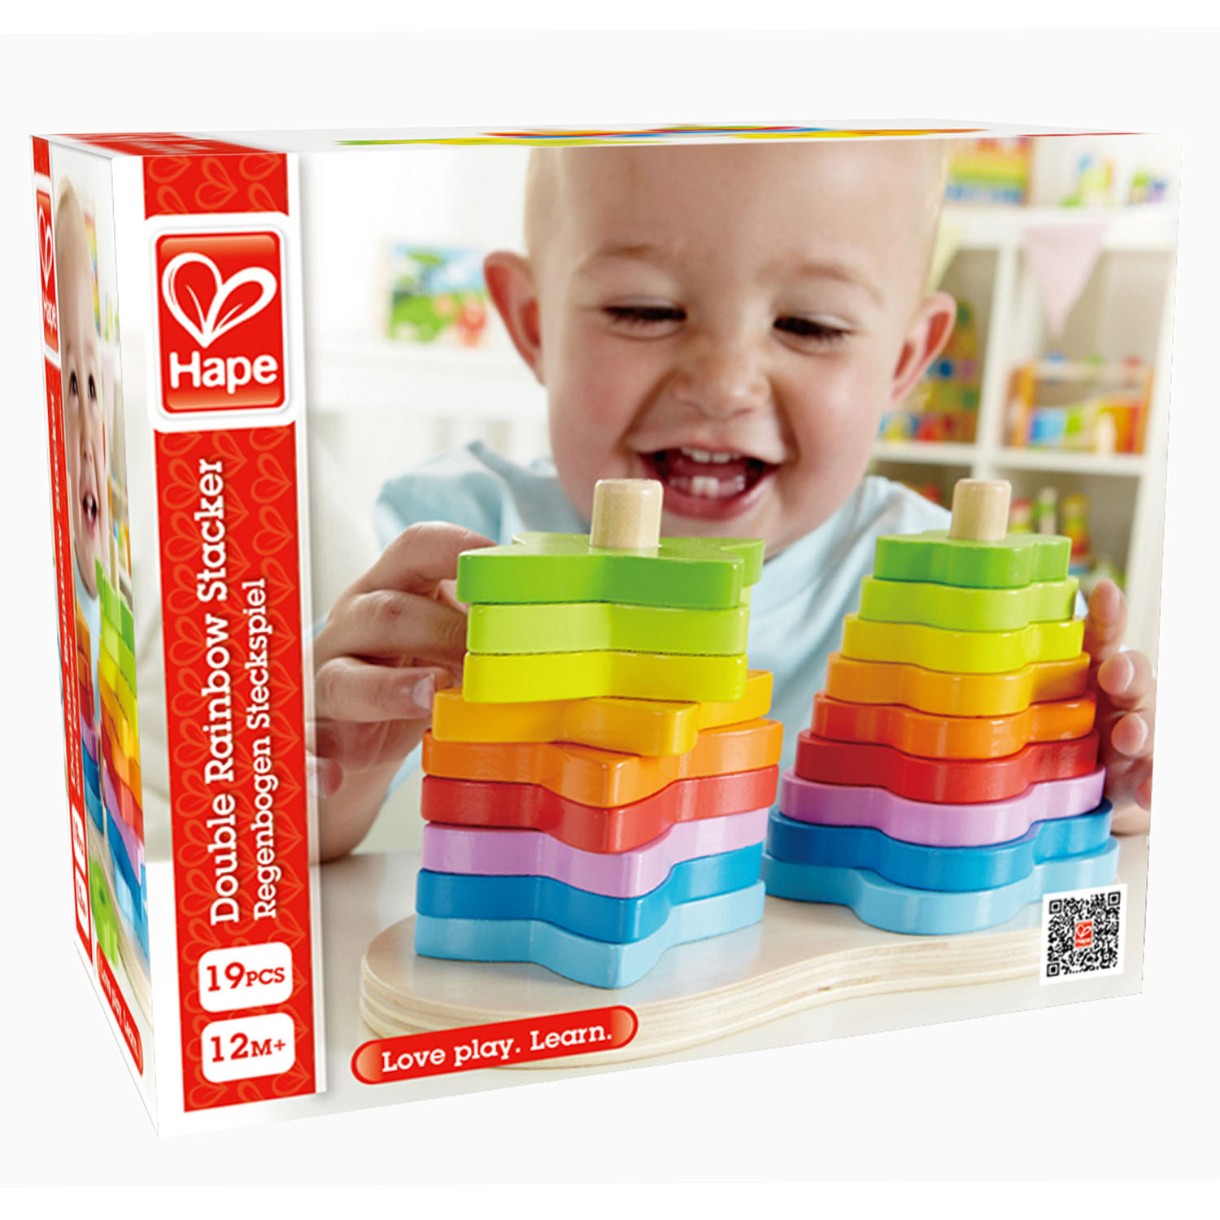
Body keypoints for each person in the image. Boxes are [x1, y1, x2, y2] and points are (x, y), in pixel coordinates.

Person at [310, 140, 1154, 861]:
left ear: (904, 362)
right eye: (644, 310)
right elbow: (298, 852)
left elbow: (1070, 870)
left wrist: (1084, 783)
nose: (723, 383)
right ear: (534, 325)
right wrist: (334, 770)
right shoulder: (442, 566)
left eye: (810, 326)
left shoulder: (958, 602)